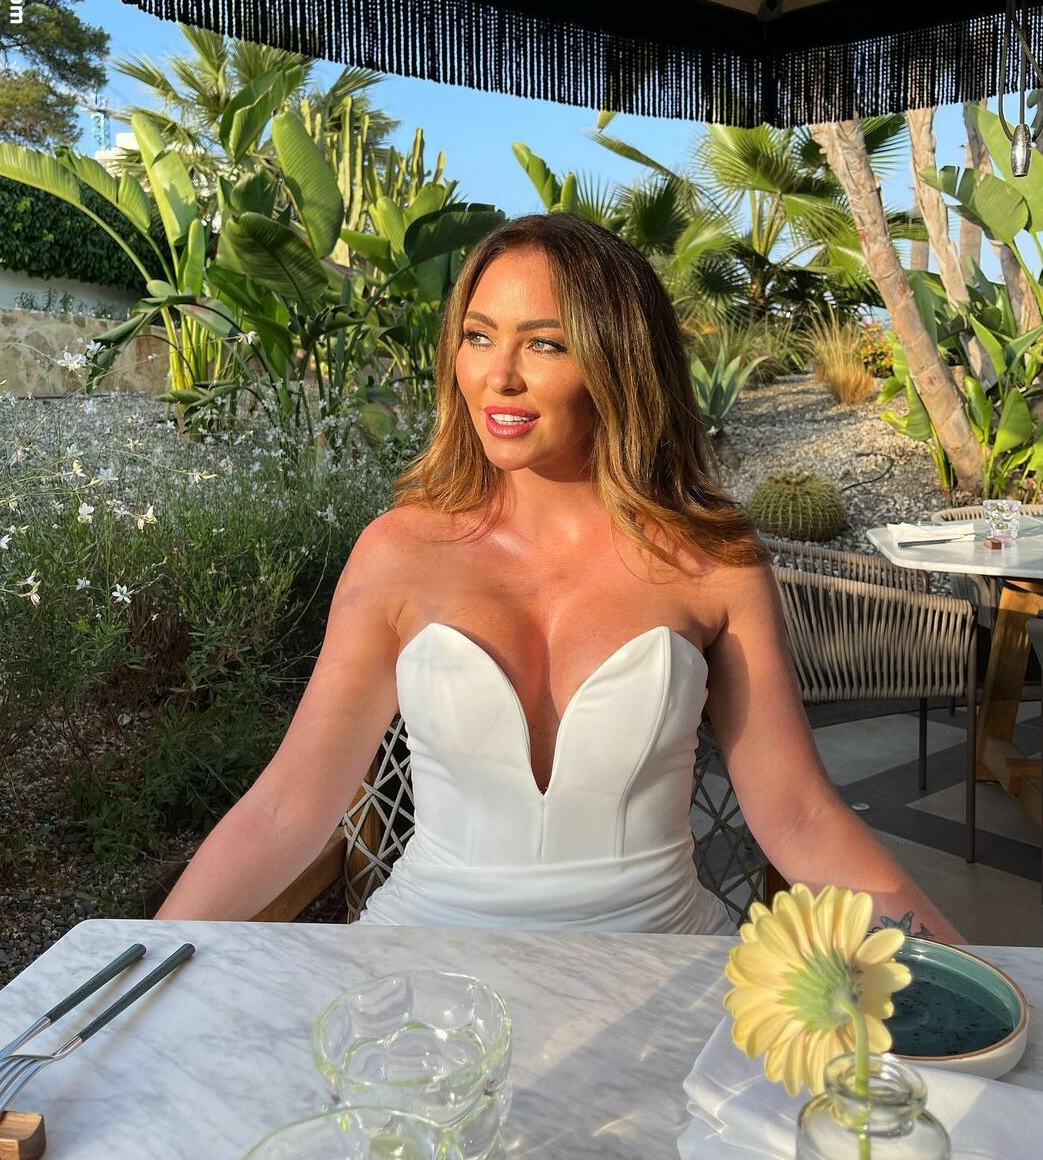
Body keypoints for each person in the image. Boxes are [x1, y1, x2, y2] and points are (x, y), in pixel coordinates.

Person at [155, 212, 965, 943]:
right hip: (420, 974)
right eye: (478, 336)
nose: (498, 375)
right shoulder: (396, 553)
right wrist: (129, 967)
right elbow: (288, 808)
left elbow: (799, 816)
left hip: (660, 972)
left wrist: (968, 974)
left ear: (620, 361)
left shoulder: (714, 559)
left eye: (545, 343)